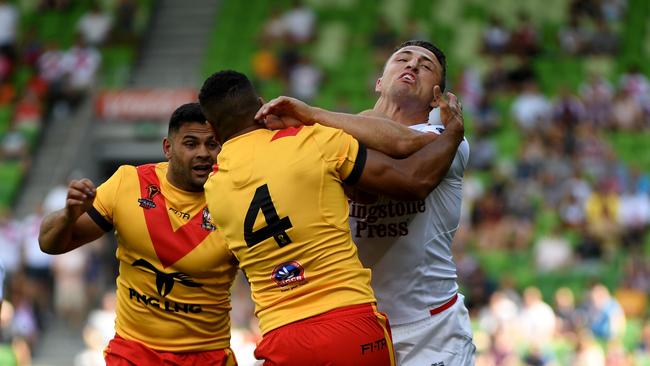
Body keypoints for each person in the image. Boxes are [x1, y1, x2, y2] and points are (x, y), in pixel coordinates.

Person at [198, 69, 464, 365]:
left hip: (282, 336)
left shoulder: (214, 189)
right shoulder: (311, 141)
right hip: (348, 322)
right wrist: (453, 132)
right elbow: (414, 180)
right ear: (260, 104)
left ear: (212, 127)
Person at [256, 40, 475, 365]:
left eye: (426, 66)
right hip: (356, 323)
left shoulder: (446, 140)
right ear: (379, 81)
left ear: (436, 97)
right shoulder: (336, 134)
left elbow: (403, 166)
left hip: (431, 326)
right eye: (403, 59)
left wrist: (311, 118)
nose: (412, 65)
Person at [38, 103, 238, 365]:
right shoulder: (127, 183)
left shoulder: (236, 201)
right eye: (191, 144)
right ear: (168, 148)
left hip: (207, 355)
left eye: (212, 145)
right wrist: (69, 215)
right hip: (135, 353)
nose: (203, 153)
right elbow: (48, 243)